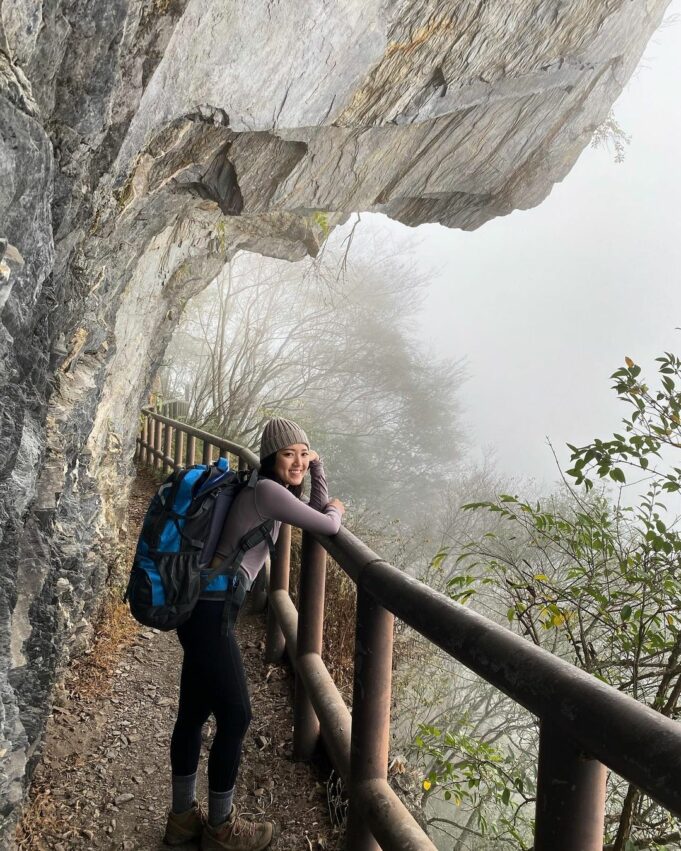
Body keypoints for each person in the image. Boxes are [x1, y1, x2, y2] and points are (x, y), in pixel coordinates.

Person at [163, 418, 345, 851]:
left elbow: (310, 507)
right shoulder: (268, 492)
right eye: (288, 454)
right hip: (211, 614)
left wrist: (315, 467)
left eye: (303, 453)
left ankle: (183, 819)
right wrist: (337, 506)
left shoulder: (261, 486)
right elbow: (327, 523)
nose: (298, 462)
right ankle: (221, 827)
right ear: (270, 457)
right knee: (237, 716)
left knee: (193, 713)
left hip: (201, 608)